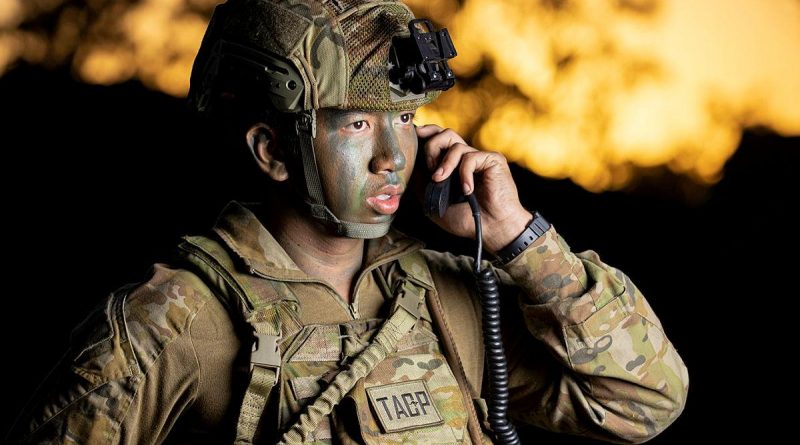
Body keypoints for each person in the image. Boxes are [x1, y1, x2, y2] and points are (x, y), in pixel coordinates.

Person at [7, 0, 688, 443]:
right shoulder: (176, 320)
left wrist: (520, 239)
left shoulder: (448, 298)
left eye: (405, 120)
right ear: (271, 151)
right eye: (359, 123)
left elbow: (645, 398)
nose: (395, 156)